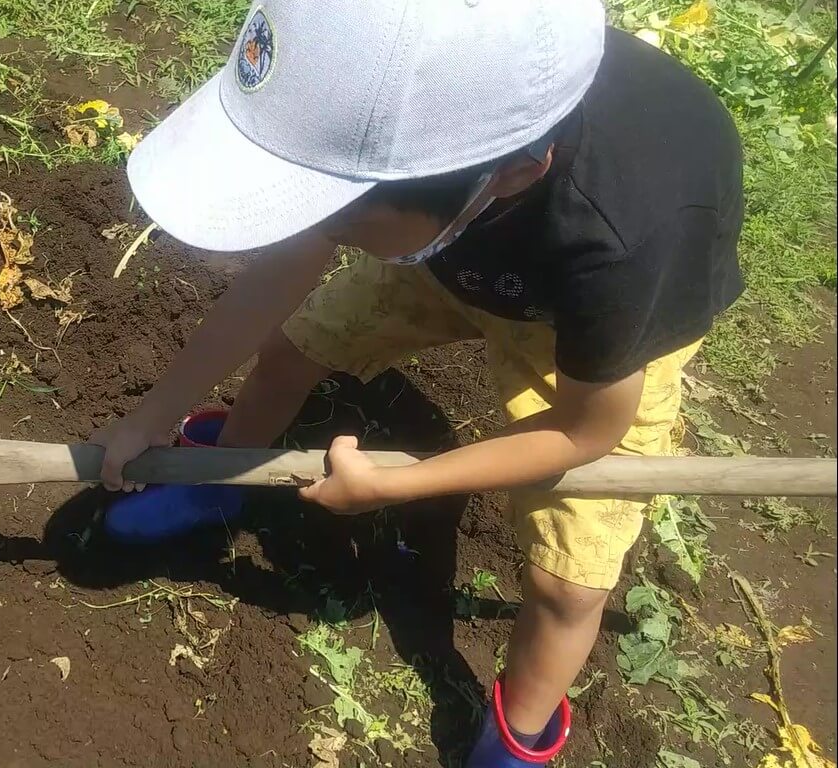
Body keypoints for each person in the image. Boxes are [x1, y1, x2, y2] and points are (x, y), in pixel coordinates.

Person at [90, 0, 745, 765]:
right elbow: (292, 264)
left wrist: (401, 486)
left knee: (572, 582)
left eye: (347, 224)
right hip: (448, 252)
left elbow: (583, 431)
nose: (330, 236)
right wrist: (157, 412)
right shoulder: (408, 133)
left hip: (598, 340)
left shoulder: (625, 238)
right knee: (292, 351)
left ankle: (517, 736)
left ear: (509, 175)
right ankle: (221, 478)